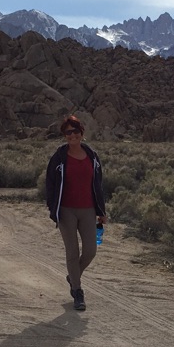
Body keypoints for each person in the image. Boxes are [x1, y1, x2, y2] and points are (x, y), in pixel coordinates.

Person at [45, 115, 106, 311]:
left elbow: (98, 184)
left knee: (90, 250)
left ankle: (73, 276)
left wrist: (101, 210)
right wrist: (52, 207)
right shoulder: (59, 157)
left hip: (88, 209)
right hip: (66, 210)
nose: (72, 136)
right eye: (68, 133)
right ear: (64, 136)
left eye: (75, 132)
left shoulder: (92, 155)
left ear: (81, 133)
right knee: (72, 252)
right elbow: (51, 183)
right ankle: (78, 292)